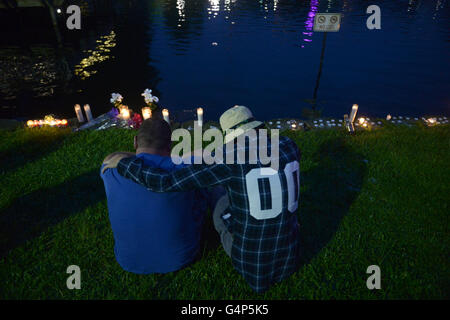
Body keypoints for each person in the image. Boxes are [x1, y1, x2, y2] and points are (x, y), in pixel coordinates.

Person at [104, 106, 301, 293]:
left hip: (250, 263)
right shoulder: (289, 145)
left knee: (217, 191)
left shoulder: (227, 157)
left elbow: (165, 182)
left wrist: (124, 162)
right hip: (289, 258)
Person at [100, 118, 209, 274]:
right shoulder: (185, 168)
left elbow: (113, 156)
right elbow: (204, 155)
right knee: (207, 187)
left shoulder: (110, 169)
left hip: (128, 260)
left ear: (135, 141)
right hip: (180, 258)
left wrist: (135, 157)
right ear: (170, 145)